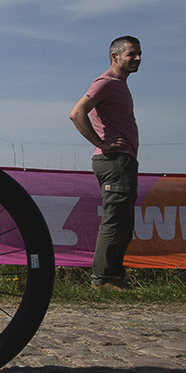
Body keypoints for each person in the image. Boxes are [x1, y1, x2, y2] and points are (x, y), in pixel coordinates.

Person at [69, 36, 142, 291]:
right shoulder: (106, 82)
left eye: (139, 54)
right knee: (114, 220)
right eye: (131, 54)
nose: (138, 59)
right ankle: (101, 280)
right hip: (113, 160)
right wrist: (102, 143)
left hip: (124, 160)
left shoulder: (120, 85)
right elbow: (77, 112)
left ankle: (115, 277)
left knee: (124, 222)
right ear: (115, 56)